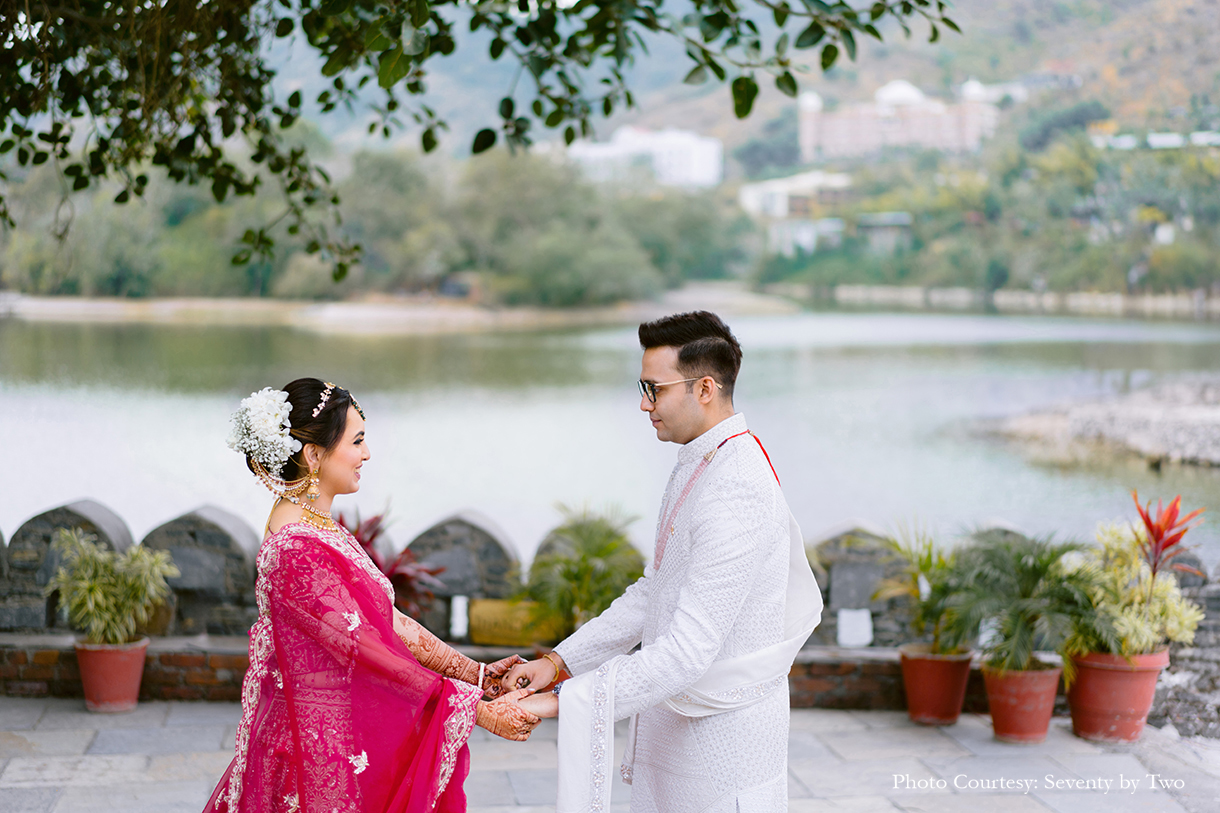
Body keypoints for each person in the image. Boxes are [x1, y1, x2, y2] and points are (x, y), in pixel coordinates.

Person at [504, 311, 823, 813]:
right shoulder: (702, 461)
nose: (643, 403)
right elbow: (655, 591)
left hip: (721, 749)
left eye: (655, 389)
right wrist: (559, 663)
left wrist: (570, 700)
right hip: (679, 728)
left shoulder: (736, 485)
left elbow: (687, 649)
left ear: (704, 389)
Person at [204, 378, 545, 813]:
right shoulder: (295, 549)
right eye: (358, 441)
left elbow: (390, 622)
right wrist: (472, 706)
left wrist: (477, 676)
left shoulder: (316, 525)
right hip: (308, 760)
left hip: (332, 736)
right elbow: (368, 649)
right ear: (313, 455)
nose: (367, 454)